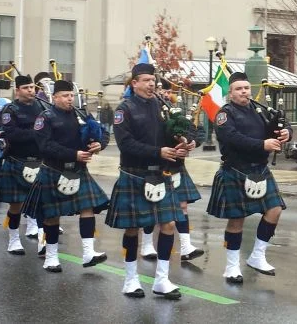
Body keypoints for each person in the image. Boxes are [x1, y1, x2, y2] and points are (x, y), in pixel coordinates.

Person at [105, 63, 186, 299]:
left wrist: (184, 141)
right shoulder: (125, 109)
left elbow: (175, 132)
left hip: (161, 174)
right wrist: (157, 152)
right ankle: (131, 279)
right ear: (135, 83)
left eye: (153, 80)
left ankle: (162, 279)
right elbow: (125, 144)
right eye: (146, 80)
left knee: (169, 224)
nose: (151, 84)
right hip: (135, 174)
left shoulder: (162, 106)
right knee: (133, 229)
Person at [207, 71, 292, 284]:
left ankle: (257, 256)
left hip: (260, 170)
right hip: (236, 170)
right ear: (231, 93)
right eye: (239, 89)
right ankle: (232, 267)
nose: (244, 92)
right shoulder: (224, 114)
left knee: (275, 209)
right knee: (237, 220)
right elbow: (231, 138)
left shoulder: (259, 110)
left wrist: (286, 132)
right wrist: (262, 144)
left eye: (246, 88)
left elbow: (280, 123)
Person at [24, 79, 110, 273]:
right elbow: (45, 146)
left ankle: (89, 252)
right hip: (54, 170)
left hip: (78, 170)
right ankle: (51, 256)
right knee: (52, 216)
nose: (69, 99)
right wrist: (74, 154)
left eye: (71, 95)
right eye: (65, 96)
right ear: (54, 97)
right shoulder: (45, 117)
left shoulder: (80, 114)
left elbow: (102, 133)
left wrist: (99, 145)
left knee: (87, 207)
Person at [137, 79, 205, 263]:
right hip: (155, 165)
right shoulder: (147, 113)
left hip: (176, 165)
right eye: (161, 90)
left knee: (182, 205)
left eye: (167, 91)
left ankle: (185, 246)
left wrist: (190, 142)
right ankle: (146, 245)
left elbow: (194, 130)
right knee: (152, 207)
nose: (165, 94)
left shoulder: (175, 112)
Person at [0, 75, 47, 256]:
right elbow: (13, 134)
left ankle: (42, 241)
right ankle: (14, 239)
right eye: (26, 87)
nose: (31, 90)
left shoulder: (42, 107)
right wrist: (37, 132)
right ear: (18, 90)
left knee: (42, 204)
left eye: (32, 87)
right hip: (17, 159)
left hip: (40, 160)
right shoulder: (10, 109)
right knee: (16, 205)